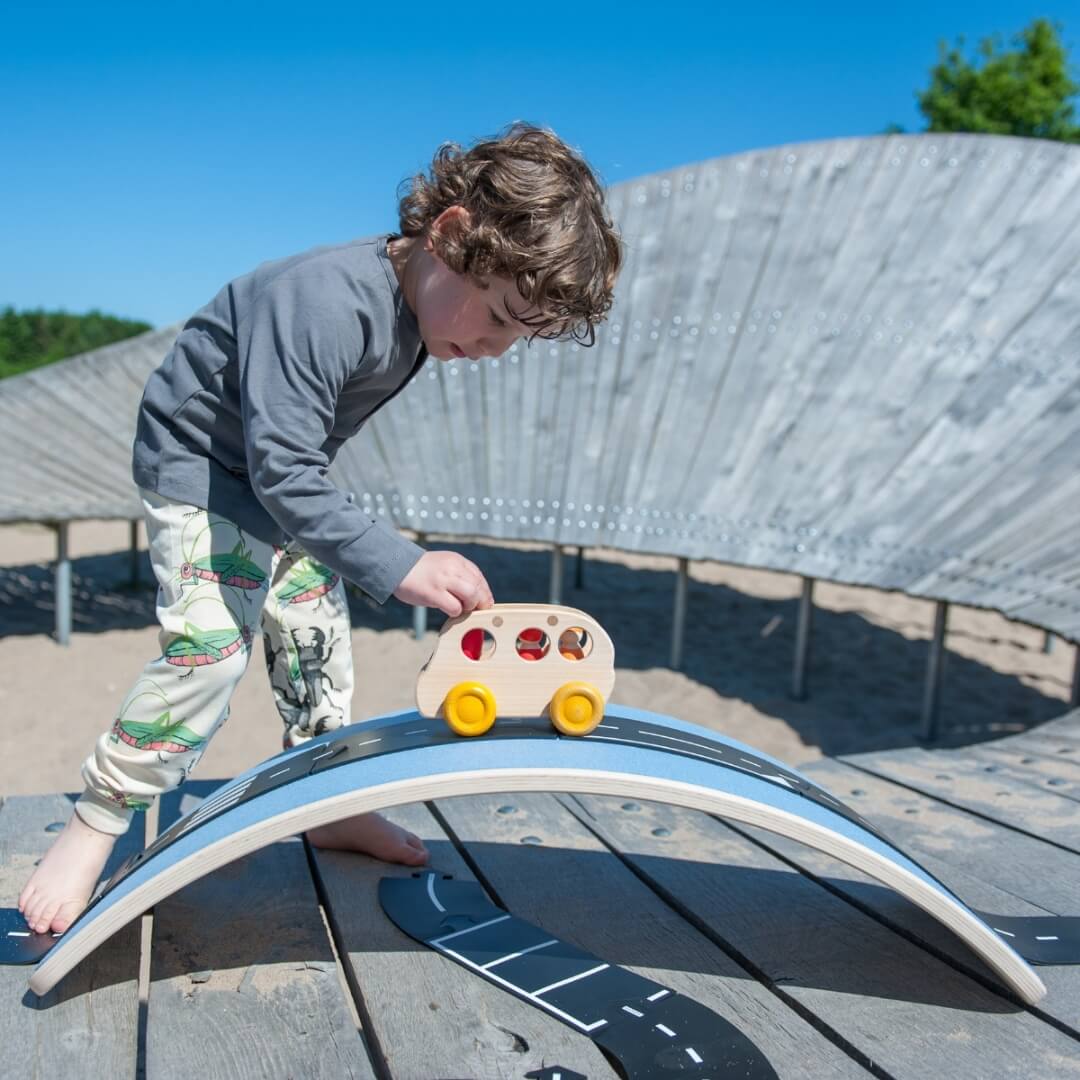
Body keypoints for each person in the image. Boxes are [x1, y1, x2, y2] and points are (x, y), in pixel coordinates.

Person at [18, 122, 623, 935]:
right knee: (210, 653)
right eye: (497, 318)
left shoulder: (423, 313)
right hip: (203, 472)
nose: (493, 348)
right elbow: (282, 469)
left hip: (274, 478)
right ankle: (96, 823)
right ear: (448, 235)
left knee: (315, 643)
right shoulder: (324, 303)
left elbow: (295, 464)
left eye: (517, 336)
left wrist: (336, 544)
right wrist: (400, 562)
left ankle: (325, 800)